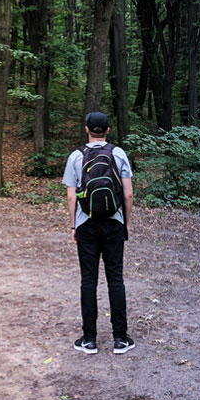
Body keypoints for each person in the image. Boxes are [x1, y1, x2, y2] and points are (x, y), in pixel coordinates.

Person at [62, 112, 135, 355]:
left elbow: (72, 196)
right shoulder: (118, 153)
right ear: (108, 130)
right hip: (114, 222)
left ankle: (89, 339)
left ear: (86, 129)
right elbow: (128, 195)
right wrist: (125, 222)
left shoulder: (75, 156)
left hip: (86, 224)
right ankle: (121, 339)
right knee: (115, 279)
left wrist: (74, 225)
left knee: (88, 280)